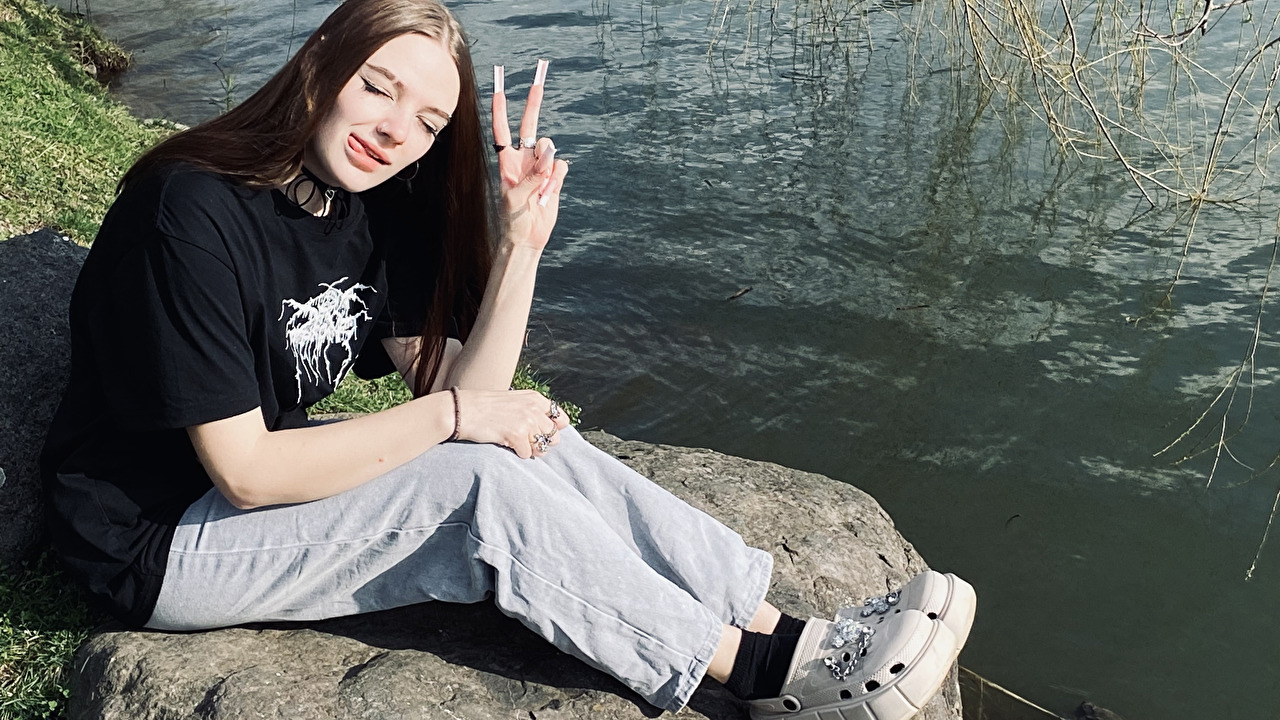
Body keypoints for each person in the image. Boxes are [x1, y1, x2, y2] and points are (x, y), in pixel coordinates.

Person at [38, 1, 975, 717]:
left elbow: (470, 396)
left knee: (529, 434)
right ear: (320, 61)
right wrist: (452, 417)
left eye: (428, 121)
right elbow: (247, 473)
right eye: (378, 87)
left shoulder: (373, 204)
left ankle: (778, 623)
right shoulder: (190, 210)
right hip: (155, 537)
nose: (395, 131)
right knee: (480, 488)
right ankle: (760, 675)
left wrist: (522, 244)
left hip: (256, 486)